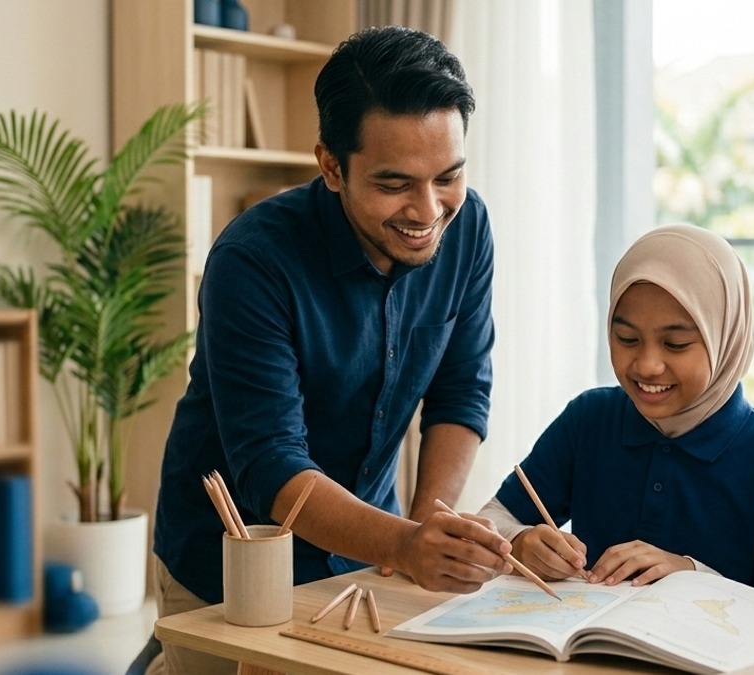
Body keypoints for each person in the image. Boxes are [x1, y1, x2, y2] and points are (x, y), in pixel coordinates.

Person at [148, 26, 509, 674]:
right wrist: (406, 542)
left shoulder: (468, 226)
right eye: (395, 183)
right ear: (331, 165)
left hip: (372, 548)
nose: (428, 210)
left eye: (448, 176)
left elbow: (461, 388)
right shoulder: (252, 262)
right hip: (232, 560)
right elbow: (270, 465)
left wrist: (429, 528)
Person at [477, 224, 754, 606]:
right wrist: (520, 541)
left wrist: (692, 576)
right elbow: (493, 518)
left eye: (675, 344)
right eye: (626, 339)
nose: (647, 366)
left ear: (725, 337)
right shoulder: (591, 419)